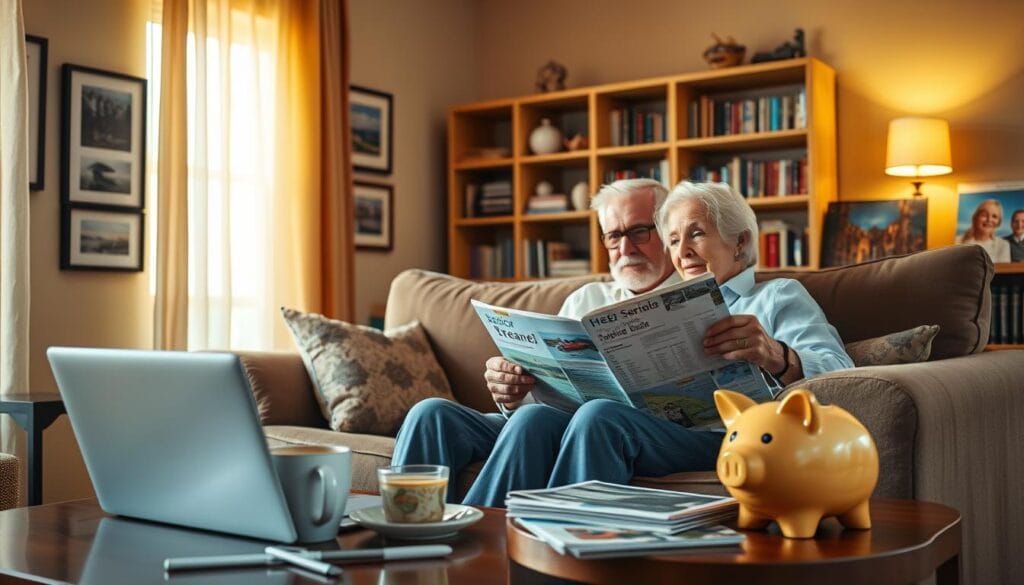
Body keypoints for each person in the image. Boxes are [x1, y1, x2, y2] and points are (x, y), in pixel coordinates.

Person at [392, 178, 678, 506]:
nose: (625, 249)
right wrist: (513, 391)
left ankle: (475, 542)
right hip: (553, 421)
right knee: (431, 414)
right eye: (613, 236)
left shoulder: (694, 297)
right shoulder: (587, 298)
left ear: (668, 230)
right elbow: (541, 393)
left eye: (639, 231)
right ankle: (406, 538)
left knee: (542, 420)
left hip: (618, 430)